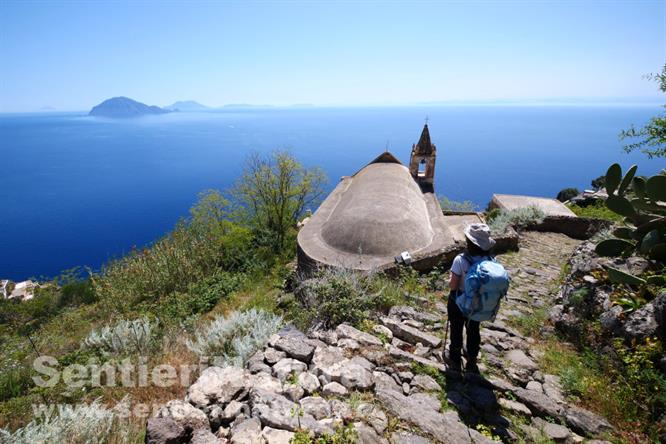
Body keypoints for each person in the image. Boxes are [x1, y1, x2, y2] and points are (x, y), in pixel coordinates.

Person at [447, 223, 497, 375]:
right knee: (473, 329)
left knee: (456, 328)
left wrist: (450, 279)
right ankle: (472, 359)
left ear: (469, 241)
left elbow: (453, 286)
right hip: (478, 304)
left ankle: (455, 357)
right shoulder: (491, 261)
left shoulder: (460, 260)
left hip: (459, 301)